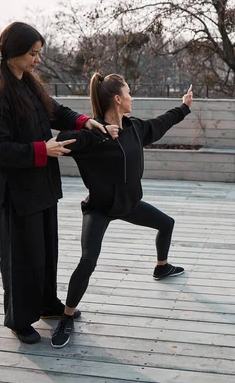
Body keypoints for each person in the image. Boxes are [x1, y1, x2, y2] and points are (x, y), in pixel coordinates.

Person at [50, 73, 194, 348]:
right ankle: (66, 317)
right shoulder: (91, 131)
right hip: (100, 209)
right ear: (118, 99)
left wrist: (184, 107)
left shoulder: (134, 127)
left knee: (167, 223)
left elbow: (160, 123)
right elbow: (65, 138)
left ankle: (161, 268)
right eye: (129, 93)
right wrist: (98, 135)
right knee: (88, 261)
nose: (132, 98)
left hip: (129, 204)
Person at [0, 22, 106, 344]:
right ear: (13, 54)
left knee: (46, 251)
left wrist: (85, 120)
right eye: (32, 54)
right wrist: (43, 149)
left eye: (38, 53)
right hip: (19, 193)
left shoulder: (30, 85)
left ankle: (47, 304)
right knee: (22, 258)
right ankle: (19, 319)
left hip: (43, 187)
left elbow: (55, 111)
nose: (37, 59)